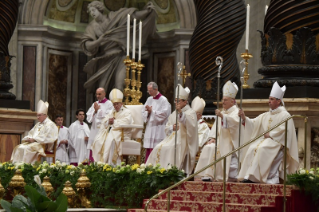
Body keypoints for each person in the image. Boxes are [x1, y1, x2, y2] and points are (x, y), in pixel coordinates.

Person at [81, 1, 157, 93]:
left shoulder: (113, 17)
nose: (92, 13)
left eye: (93, 10)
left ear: (99, 9)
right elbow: (87, 45)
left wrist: (146, 12)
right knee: (102, 88)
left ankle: (119, 106)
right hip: (104, 59)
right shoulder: (91, 27)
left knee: (119, 84)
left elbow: (132, 16)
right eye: (90, 11)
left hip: (121, 56)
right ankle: (104, 107)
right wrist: (99, 40)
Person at [238, 81, 299, 184]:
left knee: (262, 148)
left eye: (272, 99)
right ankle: (248, 175)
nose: (269, 101)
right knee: (252, 147)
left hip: (277, 142)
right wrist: (244, 118)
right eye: (269, 99)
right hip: (266, 140)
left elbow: (286, 131)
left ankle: (257, 177)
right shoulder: (266, 115)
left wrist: (271, 135)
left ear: (278, 101)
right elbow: (253, 123)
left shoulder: (285, 115)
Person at [146, 84, 198, 176]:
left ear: (185, 102)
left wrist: (182, 114)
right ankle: (157, 172)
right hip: (171, 139)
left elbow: (191, 126)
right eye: (175, 100)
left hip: (183, 139)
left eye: (178, 101)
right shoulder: (174, 113)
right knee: (158, 147)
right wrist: (172, 128)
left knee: (169, 148)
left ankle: (172, 172)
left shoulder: (191, 112)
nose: (175, 103)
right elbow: (166, 127)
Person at [195, 81, 241, 182]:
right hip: (219, 141)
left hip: (230, 142)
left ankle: (212, 175)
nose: (223, 102)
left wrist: (223, 117)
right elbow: (215, 129)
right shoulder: (223, 112)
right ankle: (204, 175)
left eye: (225, 100)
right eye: (222, 100)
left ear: (232, 101)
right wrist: (212, 138)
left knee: (213, 149)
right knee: (208, 146)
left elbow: (235, 124)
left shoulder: (236, 112)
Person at [92, 88, 133, 165]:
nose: (116, 106)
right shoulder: (112, 111)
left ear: (121, 103)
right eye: (114, 104)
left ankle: (111, 164)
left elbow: (127, 122)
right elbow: (104, 120)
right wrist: (108, 121)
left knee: (111, 141)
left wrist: (114, 122)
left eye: (117, 104)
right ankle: (100, 163)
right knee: (98, 140)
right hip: (111, 132)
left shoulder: (127, 112)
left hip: (122, 133)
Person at [142, 82, 171, 162]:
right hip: (150, 127)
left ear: (156, 89)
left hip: (159, 128)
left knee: (157, 148)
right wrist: (147, 112)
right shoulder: (149, 99)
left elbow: (164, 114)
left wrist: (152, 111)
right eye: (148, 91)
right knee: (149, 148)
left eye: (151, 91)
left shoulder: (163, 100)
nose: (149, 93)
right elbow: (143, 112)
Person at [86, 87, 113, 161]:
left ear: (104, 94)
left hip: (103, 130)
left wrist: (98, 111)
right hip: (94, 130)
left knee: (102, 147)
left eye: (99, 94)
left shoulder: (109, 104)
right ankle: (92, 165)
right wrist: (95, 111)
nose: (98, 96)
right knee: (92, 147)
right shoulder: (95, 104)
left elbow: (109, 115)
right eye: (97, 94)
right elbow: (89, 118)